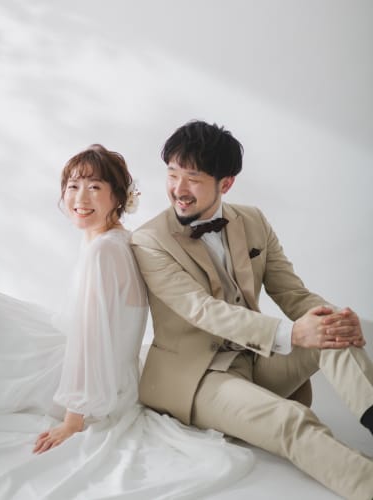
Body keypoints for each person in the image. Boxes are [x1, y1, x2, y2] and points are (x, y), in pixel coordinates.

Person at [0, 144, 253, 499]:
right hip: (110, 370)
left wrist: (73, 420)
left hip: (90, 379)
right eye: (73, 186)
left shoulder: (104, 251)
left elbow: (92, 339)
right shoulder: (114, 239)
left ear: (118, 196)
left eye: (94, 187)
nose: (80, 198)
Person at [131, 120, 373, 500]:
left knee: (333, 333)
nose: (178, 189)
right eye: (173, 174)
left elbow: (292, 293)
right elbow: (203, 310)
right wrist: (294, 333)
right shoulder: (149, 240)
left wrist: (334, 317)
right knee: (291, 420)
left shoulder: (253, 220)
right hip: (198, 378)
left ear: (225, 183)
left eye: (193, 178)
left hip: (256, 360)